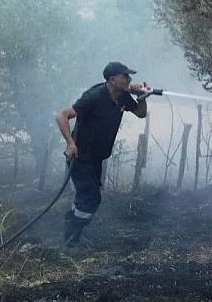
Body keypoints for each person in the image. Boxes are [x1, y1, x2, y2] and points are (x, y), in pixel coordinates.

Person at [55, 62, 152, 250]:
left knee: (85, 197)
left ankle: (71, 233)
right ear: (112, 79)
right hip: (80, 157)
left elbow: (141, 114)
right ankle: (70, 243)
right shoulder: (95, 96)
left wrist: (142, 97)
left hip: (96, 157)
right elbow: (62, 115)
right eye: (125, 76)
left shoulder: (123, 97)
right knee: (91, 198)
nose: (129, 80)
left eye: (129, 77)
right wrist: (71, 144)